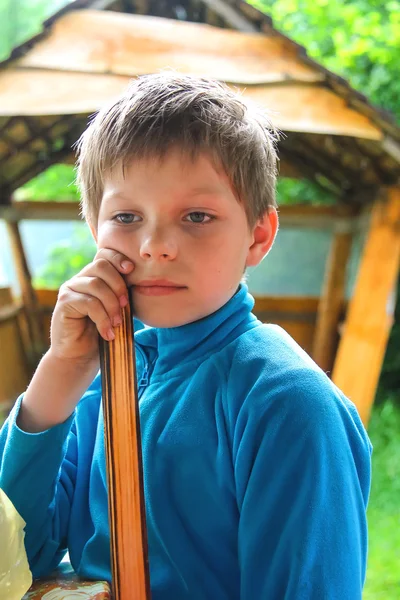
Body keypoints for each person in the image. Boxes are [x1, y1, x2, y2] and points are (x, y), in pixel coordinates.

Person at [0, 72, 371, 599]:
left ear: (258, 235)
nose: (154, 245)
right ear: (94, 231)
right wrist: (60, 372)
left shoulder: (286, 403)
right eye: (126, 216)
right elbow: (15, 561)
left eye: (197, 216)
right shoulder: (97, 383)